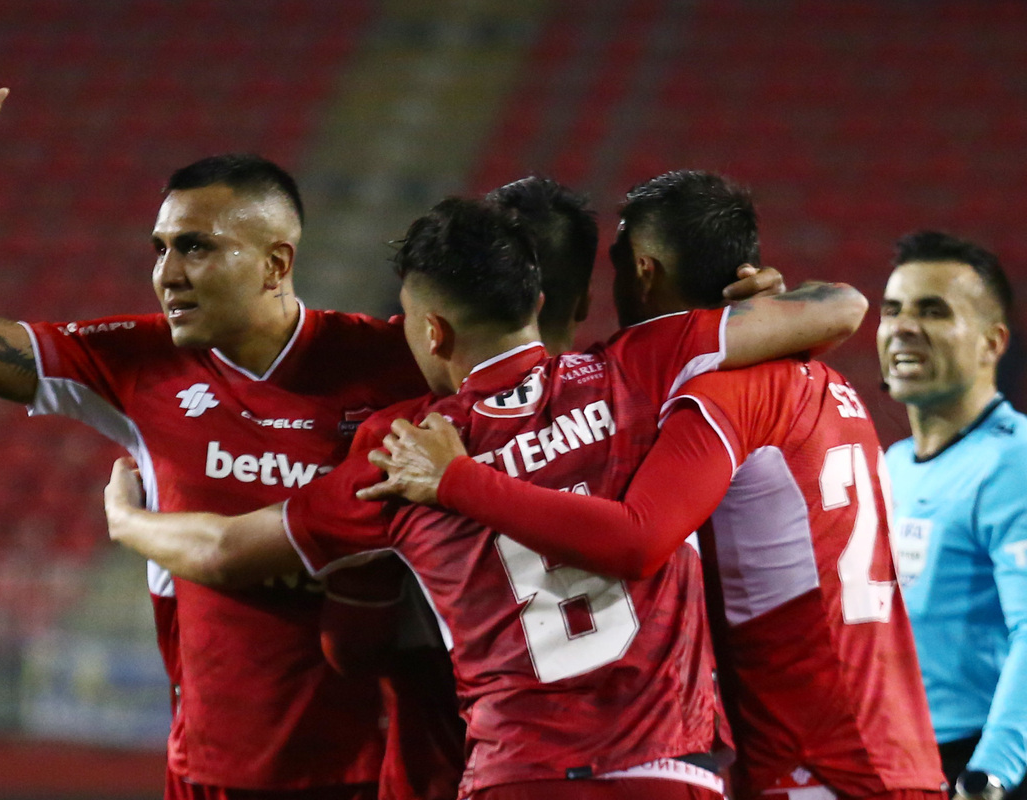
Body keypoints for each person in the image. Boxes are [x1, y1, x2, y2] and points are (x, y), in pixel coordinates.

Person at [103, 195, 870, 799]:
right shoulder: (639, 368)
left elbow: (227, 552)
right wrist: (757, 298)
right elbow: (840, 307)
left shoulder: (403, 447)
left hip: (516, 771)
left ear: (432, 333)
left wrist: (129, 522)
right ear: (536, 301)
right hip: (667, 769)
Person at [0, 24, 432, 800]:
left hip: (375, 775)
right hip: (206, 775)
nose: (167, 274)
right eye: (159, 249)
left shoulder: (394, 364)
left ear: (277, 262)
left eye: (196, 248)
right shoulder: (136, 361)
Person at [363, 172, 948, 800]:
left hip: (811, 759)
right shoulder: (823, 376)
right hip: (897, 743)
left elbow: (639, 539)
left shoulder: (703, 395)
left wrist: (456, 480)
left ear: (642, 272)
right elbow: (843, 303)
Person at [879, 231, 1027, 800]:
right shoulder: (889, 466)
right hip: (904, 762)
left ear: (993, 343)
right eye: (893, 310)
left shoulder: (1011, 464)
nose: (903, 327)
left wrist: (991, 774)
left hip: (982, 766)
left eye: (933, 311)